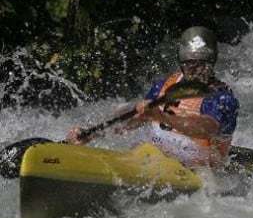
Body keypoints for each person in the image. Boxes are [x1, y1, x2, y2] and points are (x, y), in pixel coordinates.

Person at [67, 26, 239, 167]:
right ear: (181, 63)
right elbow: (136, 119)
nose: (197, 69)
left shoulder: (222, 98)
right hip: (154, 156)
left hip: (197, 169)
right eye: (190, 64)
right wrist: (94, 135)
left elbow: (207, 128)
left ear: (213, 62)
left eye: (204, 63)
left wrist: (162, 117)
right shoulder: (163, 86)